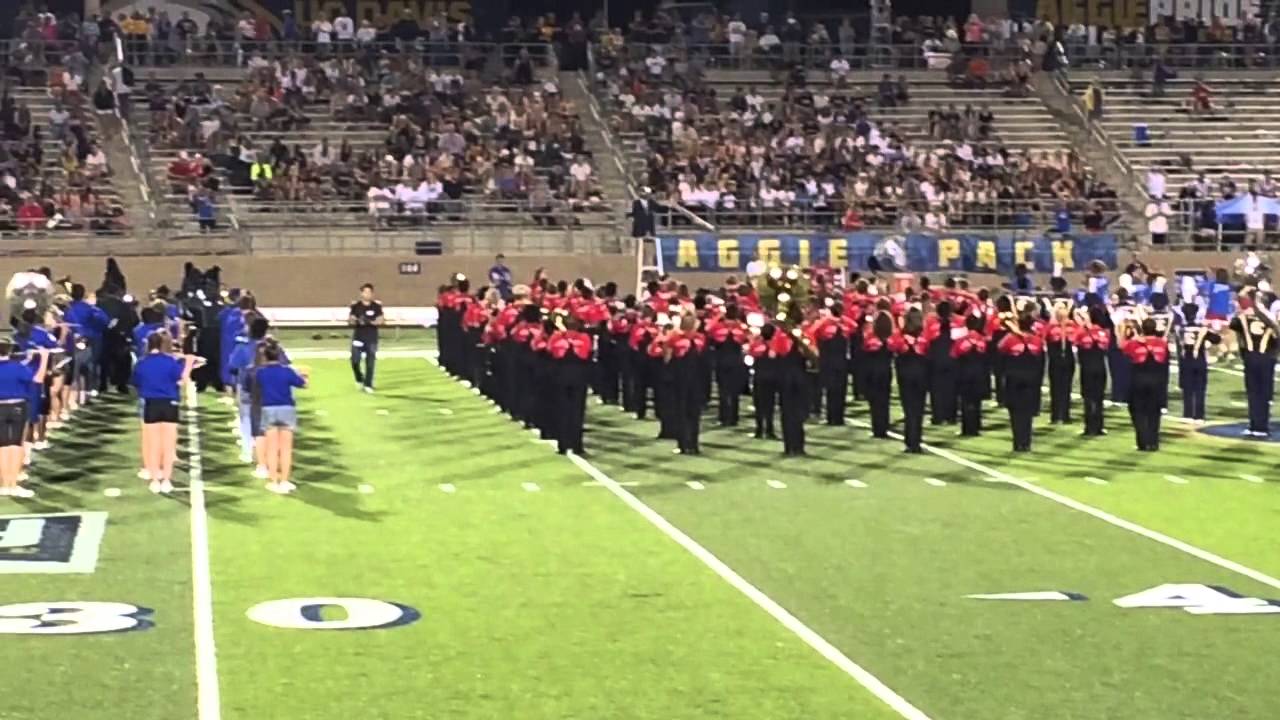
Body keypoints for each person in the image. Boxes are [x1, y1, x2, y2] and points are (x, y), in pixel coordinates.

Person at [131, 331, 197, 494]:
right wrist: (189, 364)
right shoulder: (170, 361)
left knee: (153, 444)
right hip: (169, 404)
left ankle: (155, 480)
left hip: (151, 404)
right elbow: (182, 380)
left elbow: (135, 383)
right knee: (168, 445)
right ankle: (166, 480)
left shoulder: (142, 363)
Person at [252, 339, 307, 494]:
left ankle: (273, 481)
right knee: (286, 449)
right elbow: (302, 384)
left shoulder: (261, 372)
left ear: (265, 356)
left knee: (272, 447)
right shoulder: (286, 371)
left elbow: (255, 388)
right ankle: (284, 481)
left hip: (268, 409)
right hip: (287, 409)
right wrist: (305, 375)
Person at [0, 340, 49, 498]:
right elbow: (38, 379)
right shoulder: (17, 367)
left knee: (2, 446)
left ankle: (4, 485)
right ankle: (12, 484)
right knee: (16, 445)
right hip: (18, 407)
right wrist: (44, 358)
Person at [1230, 292, 1279, 438]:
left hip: (1251, 357)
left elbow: (1234, 325)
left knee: (1253, 393)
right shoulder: (1272, 320)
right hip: (1266, 358)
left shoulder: (1244, 317)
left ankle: (1254, 425)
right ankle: (1261, 426)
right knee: (1264, 393)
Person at [998, 314, 1045, 452]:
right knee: (1027, 413)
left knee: (1015, 412)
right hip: (1031, 380)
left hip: (1013, 380)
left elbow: (1000, 352)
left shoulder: (1009, 339)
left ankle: (1018, 442)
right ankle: (1026, 442)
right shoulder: (1037, 340)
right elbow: (1041, 362)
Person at [547, 317, 591, 456]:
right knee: (571, 411)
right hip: (568, 377)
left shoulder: (582, 338)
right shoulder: (560, 337)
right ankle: (569, 444)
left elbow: (584, 354)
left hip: (572, 377)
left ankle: (569, 444)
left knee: (569, 411)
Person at [1124, 318, 1169, 451]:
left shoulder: (1134, 343)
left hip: (1138, 381)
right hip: (1157, 381)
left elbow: (1124, 350)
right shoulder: (1162, 343)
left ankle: (1142, 442)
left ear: (1142, 329)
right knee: (1154, 412)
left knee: (1138, 411)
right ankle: (1153, 442)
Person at [890, 309, 930, 453]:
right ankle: (916, 440)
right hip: (921, 376)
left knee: (909, 409)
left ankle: (910, 441)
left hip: (905, 377)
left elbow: (893, 348)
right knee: (918, 409)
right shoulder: (925, 337)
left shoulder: (899, 336)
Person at [1176, 301, 1218, 423]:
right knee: (1200, 389)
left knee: (1187, 389)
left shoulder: (1181, 329)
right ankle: (1199, 415)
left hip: (1186, 360)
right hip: (1199, 360)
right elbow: (1216, 339)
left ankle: (1187, 414)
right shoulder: (1201, 328)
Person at [1075, 304, 1111, 436]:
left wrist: (1084, 325)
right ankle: (1099, 426)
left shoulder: (1082, 332)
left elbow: (1076, 342)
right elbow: (1105, 346)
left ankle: (1089, 427)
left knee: (1088, 398)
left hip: (1087, 368)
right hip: (1101, 368)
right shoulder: (1104, 333)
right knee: (1099, 397)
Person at [952, 313, 989, 436]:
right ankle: (976, 426)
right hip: (979, 373)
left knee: (966, 401)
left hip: (964, 374)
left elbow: (953, 355)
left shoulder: (961, 340)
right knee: (977, 401)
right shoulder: (982, 340)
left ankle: (967, 428)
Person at [861, 311, 895, 439]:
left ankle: (877, 428)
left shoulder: (870, 337)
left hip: (872, 372)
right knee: (885, 400)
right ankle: (884, 427)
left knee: (874, 401)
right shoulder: (892, 338)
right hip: (886, 371)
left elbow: (864, 351)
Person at [1043, 302, 1077, 424]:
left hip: (1068, 358)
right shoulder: (1050, 326)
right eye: (1059, 308)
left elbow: (1076, 338)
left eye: (1063, 308)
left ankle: (1066, 415)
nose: (1062, 311)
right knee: (1055, 387)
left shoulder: (1072, 325)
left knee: (1067, 387)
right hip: (1055, 358)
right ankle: (1055, 415)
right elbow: (1044, 339)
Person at [348, 282, 383, 393]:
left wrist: (369, 322)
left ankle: (368, 384)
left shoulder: (376, 306)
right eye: (365, 292)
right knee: (355, 360)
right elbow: (351, 319)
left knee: (370, 362)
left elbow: (380, 320)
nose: (367, 294)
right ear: (361, 293)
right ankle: (359, 378)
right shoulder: (356, 306)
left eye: (369, 292)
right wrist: (357, 320)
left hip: (371, 338)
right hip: (358, 337)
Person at [747, 324, 779, 439]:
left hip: (759, 377)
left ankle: (759, 430)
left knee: (759, 404)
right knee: (770, 405)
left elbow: (750, 354)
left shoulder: (757, 345)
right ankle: (770, 430)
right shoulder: (776, 345)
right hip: (773, 378)